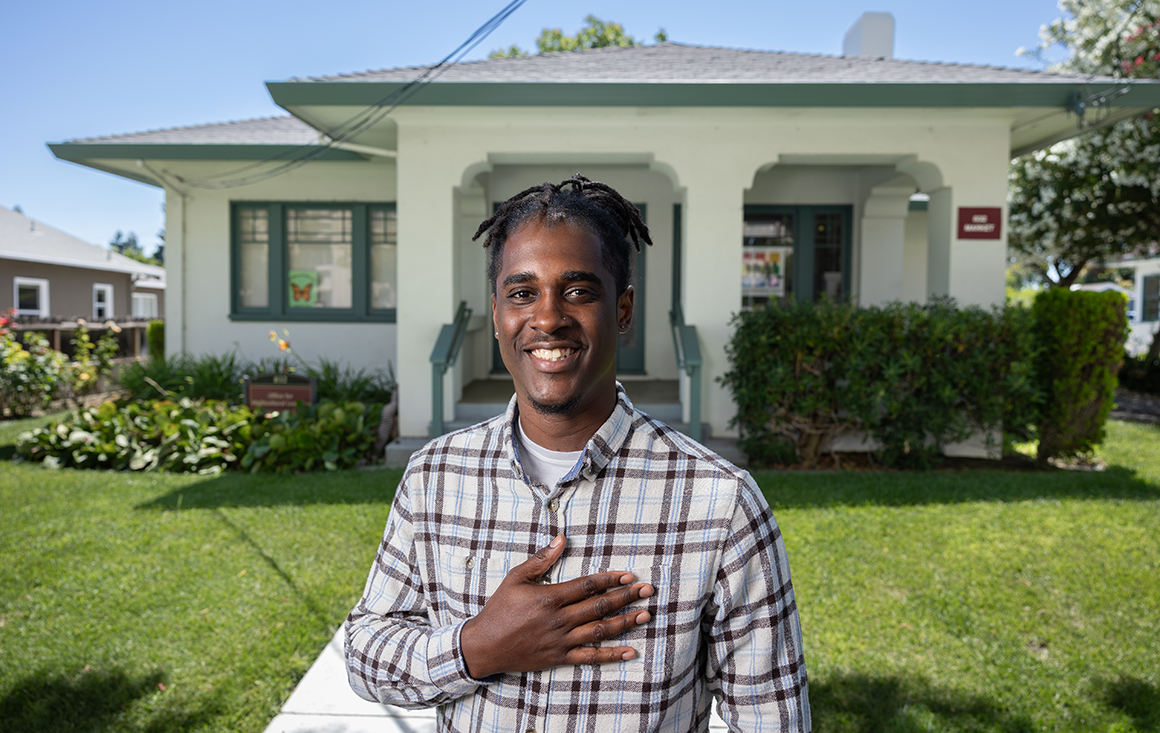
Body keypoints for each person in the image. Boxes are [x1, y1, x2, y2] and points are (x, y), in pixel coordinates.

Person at [345, 174, 810, 732]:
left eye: (579, 291)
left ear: (623, 310)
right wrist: (477, 647)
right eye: (522, 293)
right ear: (497, 314)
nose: (548, 318)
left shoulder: (720, 502)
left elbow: (771, 720)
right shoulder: (435, 475)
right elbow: (365, 652)